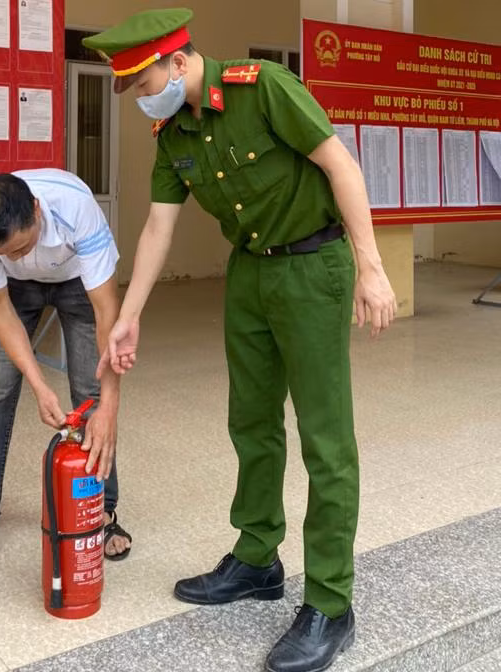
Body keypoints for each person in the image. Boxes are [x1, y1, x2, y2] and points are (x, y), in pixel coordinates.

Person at [83, 9, 397, 672]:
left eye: (145, 85)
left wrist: (371, 266)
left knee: (325, 437)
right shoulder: (175, 132)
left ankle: (332, 602)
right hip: (250, 272)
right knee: (251, 421)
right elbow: (159, 228)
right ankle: (257, 558)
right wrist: (129, 314)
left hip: (313, 264)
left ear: (177, 62)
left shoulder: (265, 88)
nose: (143, 101)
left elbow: (340, 164)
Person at [0, 169, 132, 563]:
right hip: (14, 289)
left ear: (36, 210)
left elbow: (106, 313)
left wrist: (110, 403)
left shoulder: (76, 208)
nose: (17, 257)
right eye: (5, 253)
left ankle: (102, 510)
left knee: (91, 392)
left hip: (77, 280)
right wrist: (39, 386)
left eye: (21, 246)